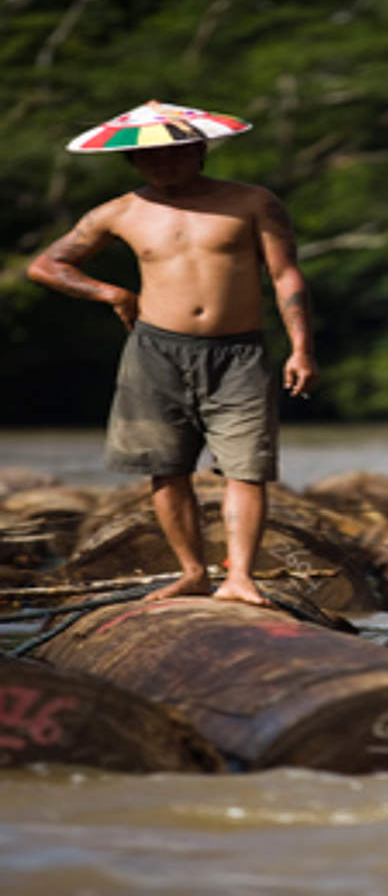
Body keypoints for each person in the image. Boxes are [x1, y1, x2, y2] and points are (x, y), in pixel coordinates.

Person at [26, 103, 317, 606]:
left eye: (174, 153)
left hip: (239, 351)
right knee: (166, 467)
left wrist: (301, 349)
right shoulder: (120, 211)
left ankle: (240, 577)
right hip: (155, 350)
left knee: (247, 468)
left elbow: (285, 274)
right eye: (150, 158)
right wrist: (111, 295)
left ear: (199, 149)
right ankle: (191, 572)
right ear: (134, 163)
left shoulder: (251, 202)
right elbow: (48, 265)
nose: (163, 164)